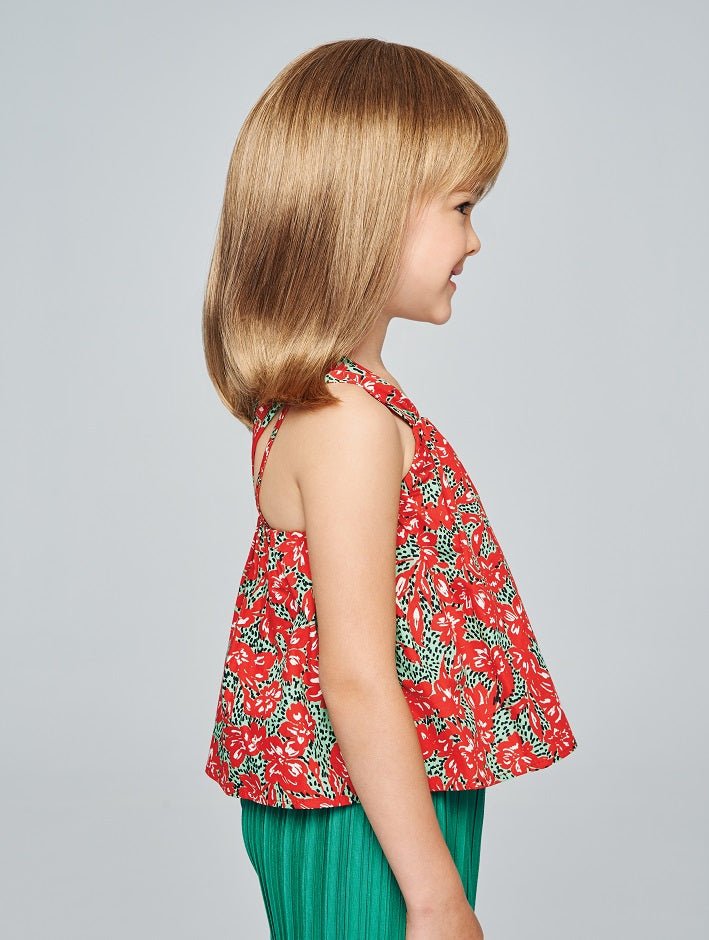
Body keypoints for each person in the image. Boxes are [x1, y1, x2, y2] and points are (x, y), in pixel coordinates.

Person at [202, 37, 578, 940]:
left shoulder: (342, 404)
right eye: (462, 206)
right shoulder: (348, 422)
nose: (475, 238)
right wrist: (436, 895)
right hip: (363, 808)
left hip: (383, 789)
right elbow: (358, 679)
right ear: (368, 211)